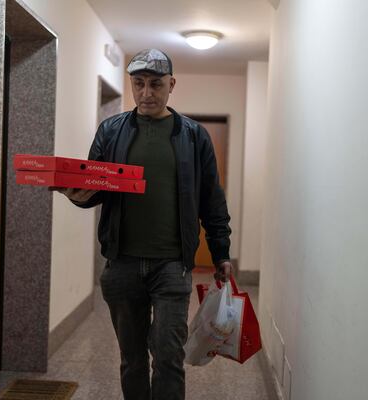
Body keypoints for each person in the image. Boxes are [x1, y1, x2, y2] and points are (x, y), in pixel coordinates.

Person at [51, 48, 233, 400]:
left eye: (155, 84)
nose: (146, 93)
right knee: (131, 359)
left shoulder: (194, 136)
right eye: (138, 84)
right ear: (131, 85)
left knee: (167, 357)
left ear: (171, 84)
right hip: (122, 264)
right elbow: (95, 188)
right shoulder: (111, 130)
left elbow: (212, 198)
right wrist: (75, 193)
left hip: (171, 265)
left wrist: (221, 250)